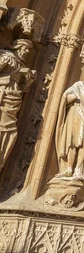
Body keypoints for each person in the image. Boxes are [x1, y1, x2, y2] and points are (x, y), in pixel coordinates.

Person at [0, 40, 36, 173]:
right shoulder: (6, 56)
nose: (26, 52)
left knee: (10, 130)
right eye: (25, 48)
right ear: (17, 47)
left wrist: (29, 78)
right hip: (3, 94)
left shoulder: (20, 64)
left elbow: (23, 87)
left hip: (14, 99)